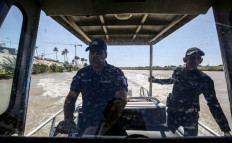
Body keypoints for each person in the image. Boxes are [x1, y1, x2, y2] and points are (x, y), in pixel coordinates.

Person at [148, 47, 231, 136]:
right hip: (173, 113)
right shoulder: (178, 72)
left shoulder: (205, 79)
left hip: (190, 117)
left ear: (201, 61)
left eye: (198, 58)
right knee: (163, 136)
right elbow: (171, 80)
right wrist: (155, 80)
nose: (195, 61)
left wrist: (225, 129)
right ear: (185, 59)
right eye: (192, 58)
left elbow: (213, 104)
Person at [58, 39, 128, 136]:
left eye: (99, 52)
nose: (94, 56)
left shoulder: (115, 73)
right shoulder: (82, 74)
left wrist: (103, 126)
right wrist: (68, 118)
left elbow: (121, 100)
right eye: (92, 52)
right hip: (88, 123)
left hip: (112, 124)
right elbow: (71, 97)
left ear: (105, 55)